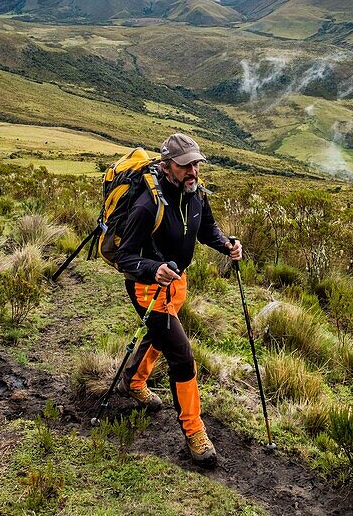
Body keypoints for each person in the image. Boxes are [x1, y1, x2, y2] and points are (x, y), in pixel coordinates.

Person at [113, 132, 242, 468]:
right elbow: (125, 256)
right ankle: (194, 432)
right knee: (182, 356)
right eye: (185, 166)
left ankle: (133, 381)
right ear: (167, 165)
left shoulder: (195, 193)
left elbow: (207, 229)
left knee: (160, 339)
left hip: (178, 283)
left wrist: (227, 245)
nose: (193, 171)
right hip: (147, 288)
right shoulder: (147, 204)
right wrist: (153, 269)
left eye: (196, 164)